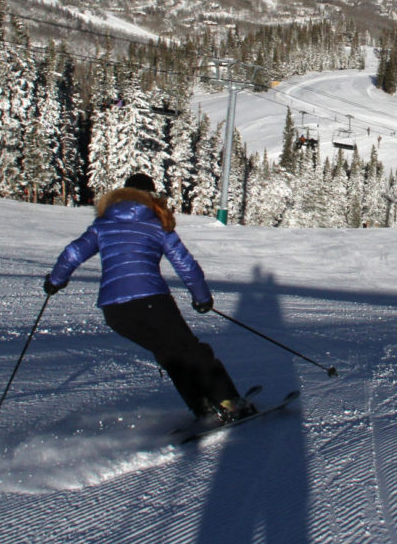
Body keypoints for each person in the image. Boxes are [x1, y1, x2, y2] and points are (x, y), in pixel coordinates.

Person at [43, 172, 255, 423]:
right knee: (191, 351)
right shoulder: (157, 223)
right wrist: (202, 298)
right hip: (152, 302)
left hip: (115, 312)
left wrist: (55, 281)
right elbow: (186, 265)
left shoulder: (103, 223)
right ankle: (228, 401)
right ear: (152, 196)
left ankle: (202, 407)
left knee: (169, 353)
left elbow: (73, 253)